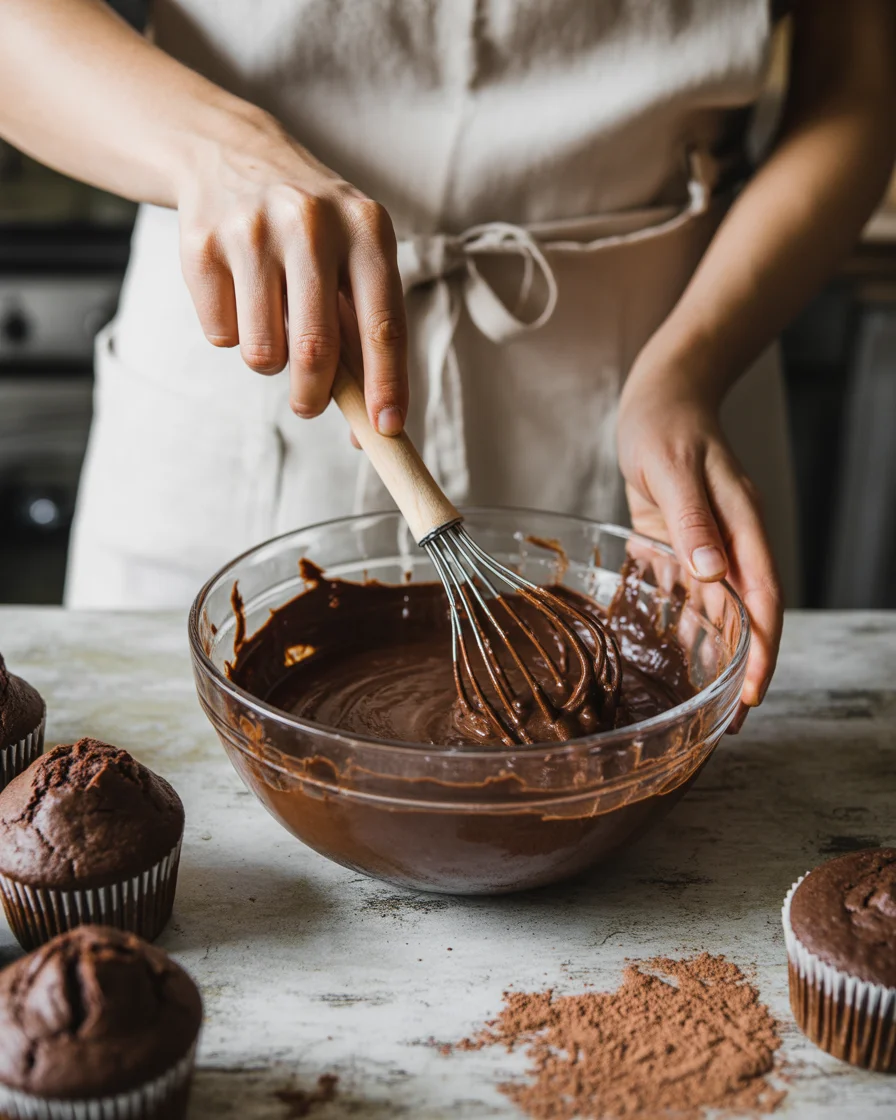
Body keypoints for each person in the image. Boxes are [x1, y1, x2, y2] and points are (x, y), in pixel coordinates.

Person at [1, 0, 893, 730]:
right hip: (251, 329)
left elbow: (857, 80)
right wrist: (212, 149)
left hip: (666, 352)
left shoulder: (685, 370)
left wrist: (689, 368)